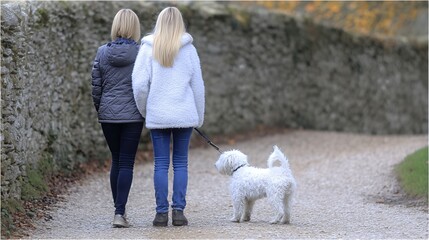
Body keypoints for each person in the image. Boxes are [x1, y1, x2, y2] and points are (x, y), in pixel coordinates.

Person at [132, 7, 205, 227]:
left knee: (160, 165)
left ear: (159, 23)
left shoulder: (147, 49)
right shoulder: (189, 50)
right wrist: (198, 117)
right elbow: (198, 87)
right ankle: (179, 212)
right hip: (184, 114)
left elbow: (139, 86)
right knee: (181, 164)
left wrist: (146, 111)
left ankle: (161, 214)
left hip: (158, 114)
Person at [91, 9, 143, 228]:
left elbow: (96, 87)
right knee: (127, 163)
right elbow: (144, 85)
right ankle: (119, 213)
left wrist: (101, 109)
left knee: (116, 159)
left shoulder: (102, 52)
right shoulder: (142, 53)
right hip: (132, 115)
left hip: (108, 115)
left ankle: (118, 211)